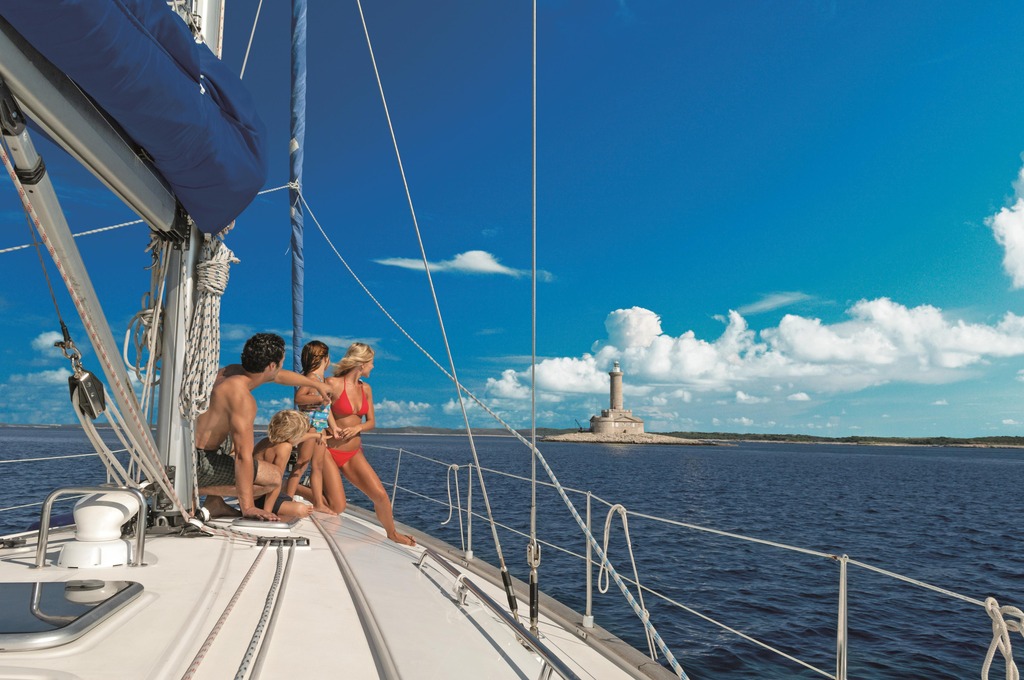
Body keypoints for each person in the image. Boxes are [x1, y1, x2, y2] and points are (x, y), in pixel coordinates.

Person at [193, 333, 332, 520]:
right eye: (281, 362)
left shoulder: (231, 372)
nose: (281, 367)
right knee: (274, 478)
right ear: (272, 366)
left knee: (230, 443)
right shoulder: (242, 398)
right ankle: (188, 486)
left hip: (194, 448)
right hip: (199, 463)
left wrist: (314, 384)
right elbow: (243, 456)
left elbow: (279, 377)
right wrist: (248, 507)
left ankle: (214, 502)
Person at [324, 342, 415, 546]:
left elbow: (371, 422)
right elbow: (319, 410)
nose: (373, 367)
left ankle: (392, 533)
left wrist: (358, 429)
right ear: (361, 363)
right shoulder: (332, 383)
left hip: (353, 452)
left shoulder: (366, 389)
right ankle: (290, 488)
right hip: (328, 451)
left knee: (381, 496)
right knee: (337, 506)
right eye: (371, 363)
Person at [289, 341, 342, 510]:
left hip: (320, 429)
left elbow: (327, 410)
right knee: (303, 462)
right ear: (324, 359)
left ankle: (318, 503)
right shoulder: (311, 379)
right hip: (309, 427)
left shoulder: (322, 380)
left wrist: (333, 427)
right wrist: (319, 398)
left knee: (317, 466)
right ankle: (287, 497)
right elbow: (299, 398)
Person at [252, 410, 319, 519]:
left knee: (288, 499)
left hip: (251, 496)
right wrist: (267, 512)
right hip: (260, 499)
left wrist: (316, 435)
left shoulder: (264, 442)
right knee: (301, 510)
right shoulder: (285, 448)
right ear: (294, 434)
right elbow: (276, 482)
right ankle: (271, 508)